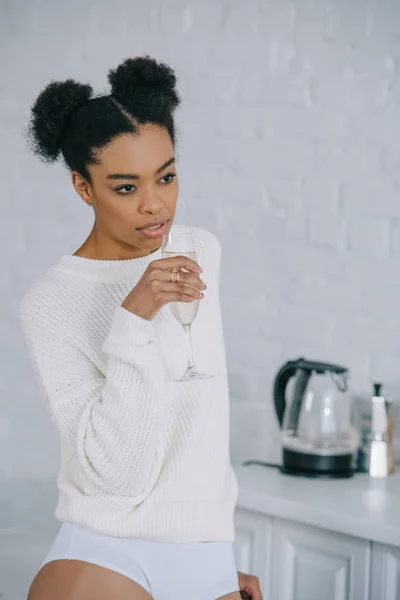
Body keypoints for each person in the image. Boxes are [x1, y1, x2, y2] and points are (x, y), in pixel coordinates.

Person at [20, 56, 263, 600]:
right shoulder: (51, 303)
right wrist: (132, 320)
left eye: (167, 176)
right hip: (104, 556)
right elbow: (117, 474)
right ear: (85, 188)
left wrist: (219, 565)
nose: (155, 205)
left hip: (208, 558)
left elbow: (197, 425)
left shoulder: (200, 251)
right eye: (125, 187)